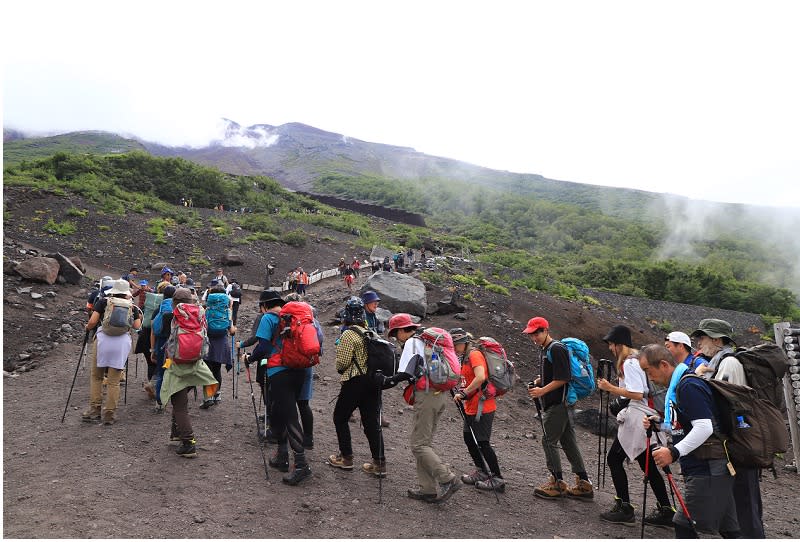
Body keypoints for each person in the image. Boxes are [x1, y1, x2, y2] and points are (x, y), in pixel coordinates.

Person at [640, 344, 740, 539]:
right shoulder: (681, 385)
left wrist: (673, 452)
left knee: (684, 525)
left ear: (663, 364)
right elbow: (688, 423)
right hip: (712, 468)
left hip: (707, 468)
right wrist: (660, 423)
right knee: (729, 530)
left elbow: (704, 427)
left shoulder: (688, 386)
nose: (648, 377)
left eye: (647, 370)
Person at [691, 319, 763, 538]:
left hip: (738, 445)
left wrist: (699, 378)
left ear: (715, 339)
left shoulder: (729, 362)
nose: (698, 343)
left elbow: (721, 403)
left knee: (744, 505)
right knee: (738, 504)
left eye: (702, 338)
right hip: (737, 442)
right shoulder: (719, 361)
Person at [596, 325, 673, 526]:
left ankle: (625, 508)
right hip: (647, 415)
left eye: (612, 344)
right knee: (646, 464)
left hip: (638, 418)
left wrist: (609, 387)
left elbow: (638, 393)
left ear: (619, 344)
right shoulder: (638, 359)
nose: (611, 348)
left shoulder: (629, 363)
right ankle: (666, 510)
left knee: (614, 459)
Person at [382, 314, 462, 503]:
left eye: (395, 334)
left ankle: (447, 478)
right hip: (439, 395)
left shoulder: (413, 343)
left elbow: (404, 372)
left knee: (418, 445)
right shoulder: (429, 342)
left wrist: (386, 381)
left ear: (402, 330)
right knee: (424, 442)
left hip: (426, 396)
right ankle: (427, 489)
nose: (396, 338)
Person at [523, 316, 594, 500]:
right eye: (531, 334)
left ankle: (557, 482)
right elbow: (555, 373)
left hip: (559, 404)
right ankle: (584, 484)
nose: (534, 337)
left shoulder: (556, 348)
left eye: (537, 333)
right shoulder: (547, 349)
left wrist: (541, 391)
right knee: (568, 442)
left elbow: (563, 378)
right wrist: (539, 381)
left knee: (548, 440)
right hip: (560, 402)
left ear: (546, 330)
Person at [245, 293, 312, 486]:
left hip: (279, 372)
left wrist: (249, 358)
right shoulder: (292, 319)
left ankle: (301, 465)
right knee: (281, 412)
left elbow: (263, 347)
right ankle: (282, 455)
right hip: (298, 369)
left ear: (265, 305)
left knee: (289, 415)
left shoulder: (268, 318)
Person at [327, 297, 385, 477]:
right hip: (373, 383)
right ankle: (379, 463)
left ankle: (346, 458)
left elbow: (342, 364)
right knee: (371, 423)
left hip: (355, 383)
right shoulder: (370, 332)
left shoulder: (348, 334)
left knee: (340, 417)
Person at [159, 288, 219, 458]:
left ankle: (188, 443)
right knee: (181, 400)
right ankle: (177, 432)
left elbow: (161, 333)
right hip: (196, 364)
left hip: (177, 365)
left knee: (180, 405)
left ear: (174, 302)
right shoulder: (200, 314)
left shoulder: (169, 317)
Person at [450, 328, 505, 492]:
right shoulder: (465, 357)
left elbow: (481, 377)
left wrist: (464, 392)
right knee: (469, 439)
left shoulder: (474, 355)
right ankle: (482, 471)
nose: (453, 348)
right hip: (471, 406)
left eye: (454, 345)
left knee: (482, 442)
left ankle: (497, 478)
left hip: (483, 407)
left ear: (462, 343)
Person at [82, 279, 142, 425]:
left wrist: (87, 328)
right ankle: (109, 413)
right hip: (121, 343)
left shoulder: (103, 302)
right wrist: (138, 316)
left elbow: (93, 322)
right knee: (114, 381)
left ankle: (94, 410)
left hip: (103, 340)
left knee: (97, 376)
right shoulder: (131, 306)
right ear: (126, 292)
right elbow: (136, 326)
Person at [200, 281, 235, 408]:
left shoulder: (205, 309)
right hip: (221, 341)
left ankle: (208, 397)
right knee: (217, 369)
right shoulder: (227, 310)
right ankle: (217, 394)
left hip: (207, 342)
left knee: (207, 370)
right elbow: (231, 330)